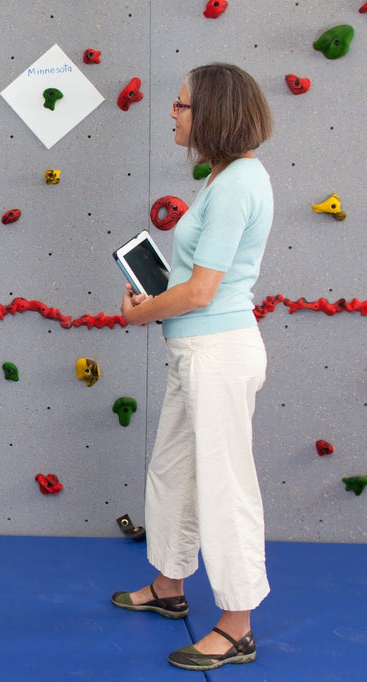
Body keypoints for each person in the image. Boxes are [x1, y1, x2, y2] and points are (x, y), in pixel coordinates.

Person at [111, 63, 274, 672]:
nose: (173, 115)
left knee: (226, 487)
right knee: (173, 472)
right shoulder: (226, 178)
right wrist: (155, 304)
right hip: (195, 352)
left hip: (218, 353)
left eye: (180, 106)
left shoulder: (236, 185)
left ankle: (237, 627)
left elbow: (203, 291)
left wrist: (142, 311)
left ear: (212, 114)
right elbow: (199, 279)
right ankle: (169, 587)